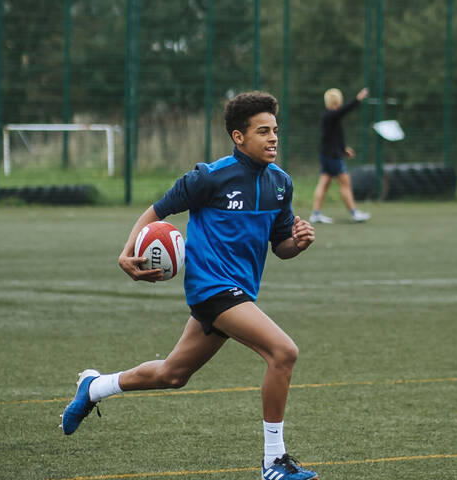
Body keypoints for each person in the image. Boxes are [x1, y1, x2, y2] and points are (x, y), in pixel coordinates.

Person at [61, 91, 319, 480]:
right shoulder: (209, 178)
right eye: (263, 131)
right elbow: (156, 210)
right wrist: (126, 252)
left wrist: (297, 242)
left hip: (239, 293)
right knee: (283, 352)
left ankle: (95, 387)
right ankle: (274, 461)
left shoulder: (281, 184)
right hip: (212, 288)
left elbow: (280, 247)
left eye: (276, 130)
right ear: (238, 137)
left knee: (172, 374)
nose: (273, 138)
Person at [309, 86, 371, 224]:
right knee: (345, 184)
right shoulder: (331, 115)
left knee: (324, 183)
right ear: (336, 101)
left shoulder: (329, 116)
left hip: (327, 154)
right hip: (332, 157)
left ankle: (315, 214)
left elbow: (333, 137)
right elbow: (344, 111)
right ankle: (354, 213)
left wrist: (343, 149)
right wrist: (357, 99)